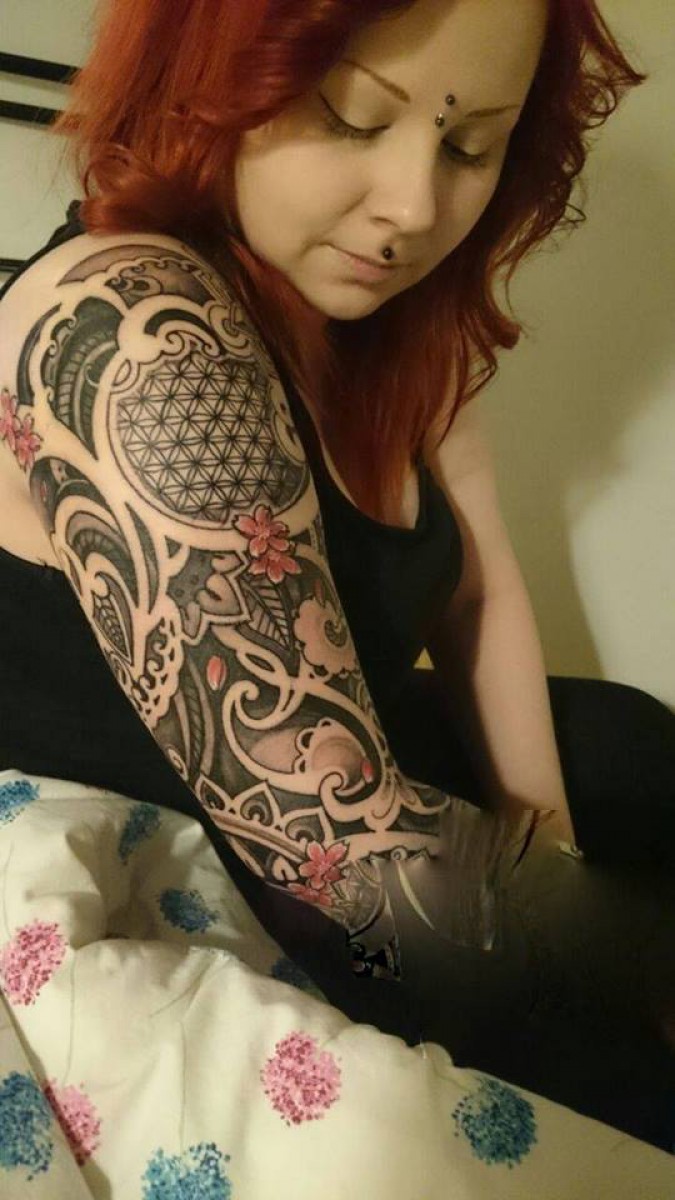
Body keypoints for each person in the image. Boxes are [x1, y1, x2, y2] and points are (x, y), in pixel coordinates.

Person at [1, 0, 674, 1134]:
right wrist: (632, 975)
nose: (413, 206)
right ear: (205, 83)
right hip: (190, 825)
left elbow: (481, 594)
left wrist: (548, 846)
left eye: (471, 146)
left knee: (630, 747)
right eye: (352, 118)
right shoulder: (134, 331)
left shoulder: (404, 337)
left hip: (342, 767)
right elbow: (337, 858)